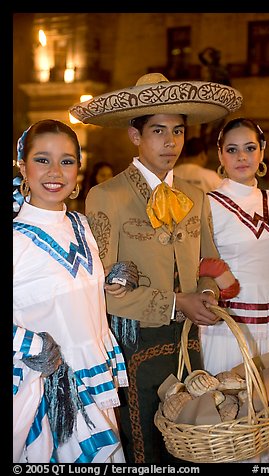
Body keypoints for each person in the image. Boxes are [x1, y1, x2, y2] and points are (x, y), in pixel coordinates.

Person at [69, 72, 243, 463]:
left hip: (187, 339)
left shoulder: (196, 196)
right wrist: (178, 301)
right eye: (158, 131)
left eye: (178, 131)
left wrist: (208, 296)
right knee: (144, 441)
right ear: (135, 136)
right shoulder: (106, 196)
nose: (170, 142)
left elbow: (209, 264)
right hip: (134, 341)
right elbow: (103, 287)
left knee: (190, 434)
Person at [13, 119, 129, 463]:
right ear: (23, 167)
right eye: (42, 159)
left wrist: (107, 279)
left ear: (78, 169)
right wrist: (30, 344)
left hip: (96, 387)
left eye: (66, 161)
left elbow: (67, 289)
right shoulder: (15, 237)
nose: (55, 171)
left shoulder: (82, 225)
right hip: (47, 397)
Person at [199, 117, 269, 463]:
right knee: (230, 402)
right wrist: (216, 273)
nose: (242, 156)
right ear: (220, 154)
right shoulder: (206, 203)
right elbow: (186, 257)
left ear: (262, 151)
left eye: (250, 147)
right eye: (232, 149)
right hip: (227, 321)